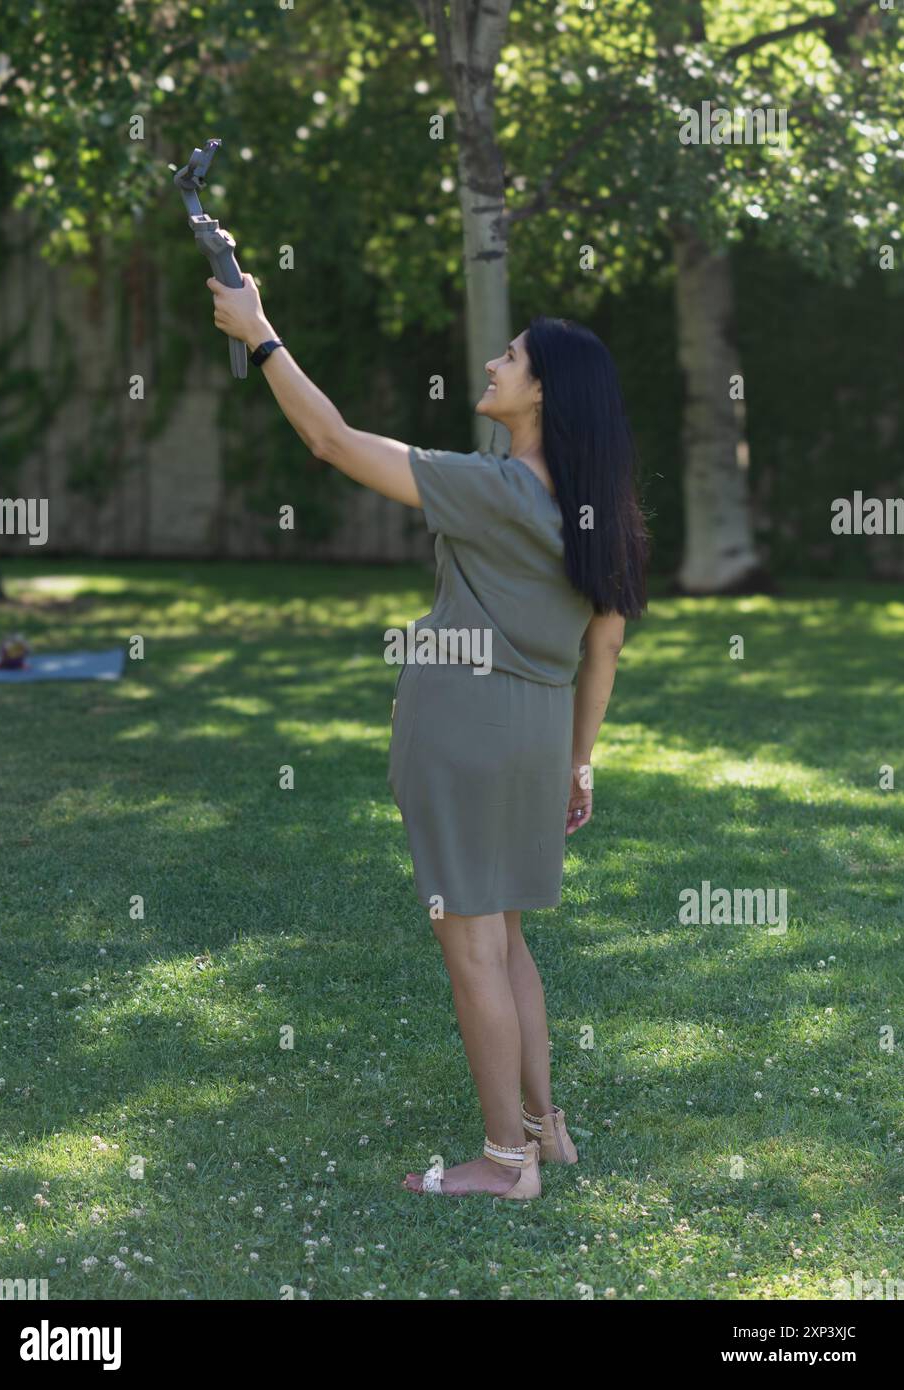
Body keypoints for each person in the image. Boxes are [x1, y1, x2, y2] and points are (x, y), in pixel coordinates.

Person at [208, 274, 649, 1200]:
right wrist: (580, 759)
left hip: (465, 735)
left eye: (513, 356)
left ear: (543, 394)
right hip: (534, 739)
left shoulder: (491, 488)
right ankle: (543, 1130)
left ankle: (503, 1164)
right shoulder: (596, 509)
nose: (494, 363)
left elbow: (330, 440)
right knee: (510, 940)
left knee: (474, 947)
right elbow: (602, 647)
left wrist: (260, 335)